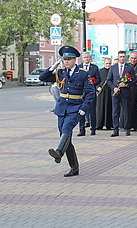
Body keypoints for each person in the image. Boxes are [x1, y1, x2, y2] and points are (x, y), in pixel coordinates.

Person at [39, 45, 95, 177]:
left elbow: (91, 93)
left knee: (67, 129)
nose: (66, 61)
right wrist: (52, 67)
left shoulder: (82, 74)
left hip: (75, 108)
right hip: (62, 108)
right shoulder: (60, 72)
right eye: (64, 59)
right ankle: (74, 167)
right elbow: (42, 78)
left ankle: (59, 151)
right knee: (66, 139)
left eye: (69, 59)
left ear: (75, 60)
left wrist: (83, 109)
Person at [107, 50, 136, 137]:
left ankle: (127, 129)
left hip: (125, 92)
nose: (122, 58)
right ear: (118, 57)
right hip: (116, 93)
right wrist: (114, 87)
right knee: (115, 111)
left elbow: (134, 80)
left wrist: (126, 84)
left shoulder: (129, 67)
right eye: (120, 57)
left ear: (126, 57)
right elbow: (108, 80)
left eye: (123, 57)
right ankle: (115, 129)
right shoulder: (113, 67)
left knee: (126, 111)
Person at [77, 52, 101, 136]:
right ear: (82, 58)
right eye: (84, 57)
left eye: (87, 57)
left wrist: (94, 81)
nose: (86, 59)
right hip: (81, 93)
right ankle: (81, 129)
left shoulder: (94, 67)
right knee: (81, 111)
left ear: (90, 58)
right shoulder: (78, 67)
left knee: (92, 111)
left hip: (91, 92)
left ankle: (93, 128)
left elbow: (99, 79)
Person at [96, 57, 113, 130]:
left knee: (109, 108)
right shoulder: (100, 71)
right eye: (107, 63)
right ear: (104, 63)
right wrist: (97, 87)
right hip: (101, 92)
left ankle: (109, 124)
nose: (108, 65)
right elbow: (96, 81)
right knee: (100, 108)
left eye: (109, 63)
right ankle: (99, 124)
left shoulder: (112, 71)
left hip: (110, 92)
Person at [128, 52, 137, 132]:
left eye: (135, 58)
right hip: (129, 90)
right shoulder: (127, 66)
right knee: (128, 108)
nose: (133, 60)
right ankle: (128, 125)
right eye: (132, 58)